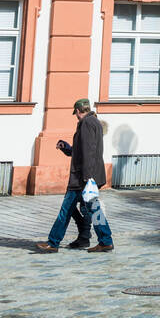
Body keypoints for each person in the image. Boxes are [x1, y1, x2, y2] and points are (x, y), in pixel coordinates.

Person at [35, 99, 114, 253]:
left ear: (78, 111)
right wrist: (67, 148)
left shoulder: (86, 123)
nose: (76, 117)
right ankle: (105, 241)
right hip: (88, 176)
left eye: (76, 114)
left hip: (81, 179)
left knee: (66, 210)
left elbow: (88, 153)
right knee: (93, 210)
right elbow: (82, 151)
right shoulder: (95, 122)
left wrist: (87, 178)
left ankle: (53, 242)